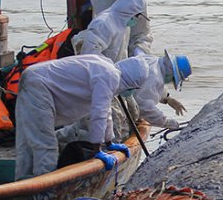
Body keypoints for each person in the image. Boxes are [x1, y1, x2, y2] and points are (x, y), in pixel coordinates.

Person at [14, 54, 149, 179]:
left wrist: (109, 142)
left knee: (27, 141)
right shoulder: (110, 76)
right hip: (39, 86)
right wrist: (98, 151)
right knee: (45, 143)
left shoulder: (107, 69)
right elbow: (99, 114)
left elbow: (105, 111)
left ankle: (22, 183)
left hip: (35, 78)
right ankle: (44, 191)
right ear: (132, 84)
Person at [72, 0, 149, 62]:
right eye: (137, 15)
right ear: (130, 11)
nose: (136, 19)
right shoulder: (103, 24)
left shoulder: (124, 25)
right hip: (99, 71)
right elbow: (90, 54)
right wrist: (109, 69)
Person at [128, 50, 192, 131]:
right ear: (172, 72)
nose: (171, 81)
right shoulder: (154, 76)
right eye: (173, 79)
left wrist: (168, 98)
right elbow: (144, 106)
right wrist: (164, 122)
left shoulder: (153, 61)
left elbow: (152, 87)